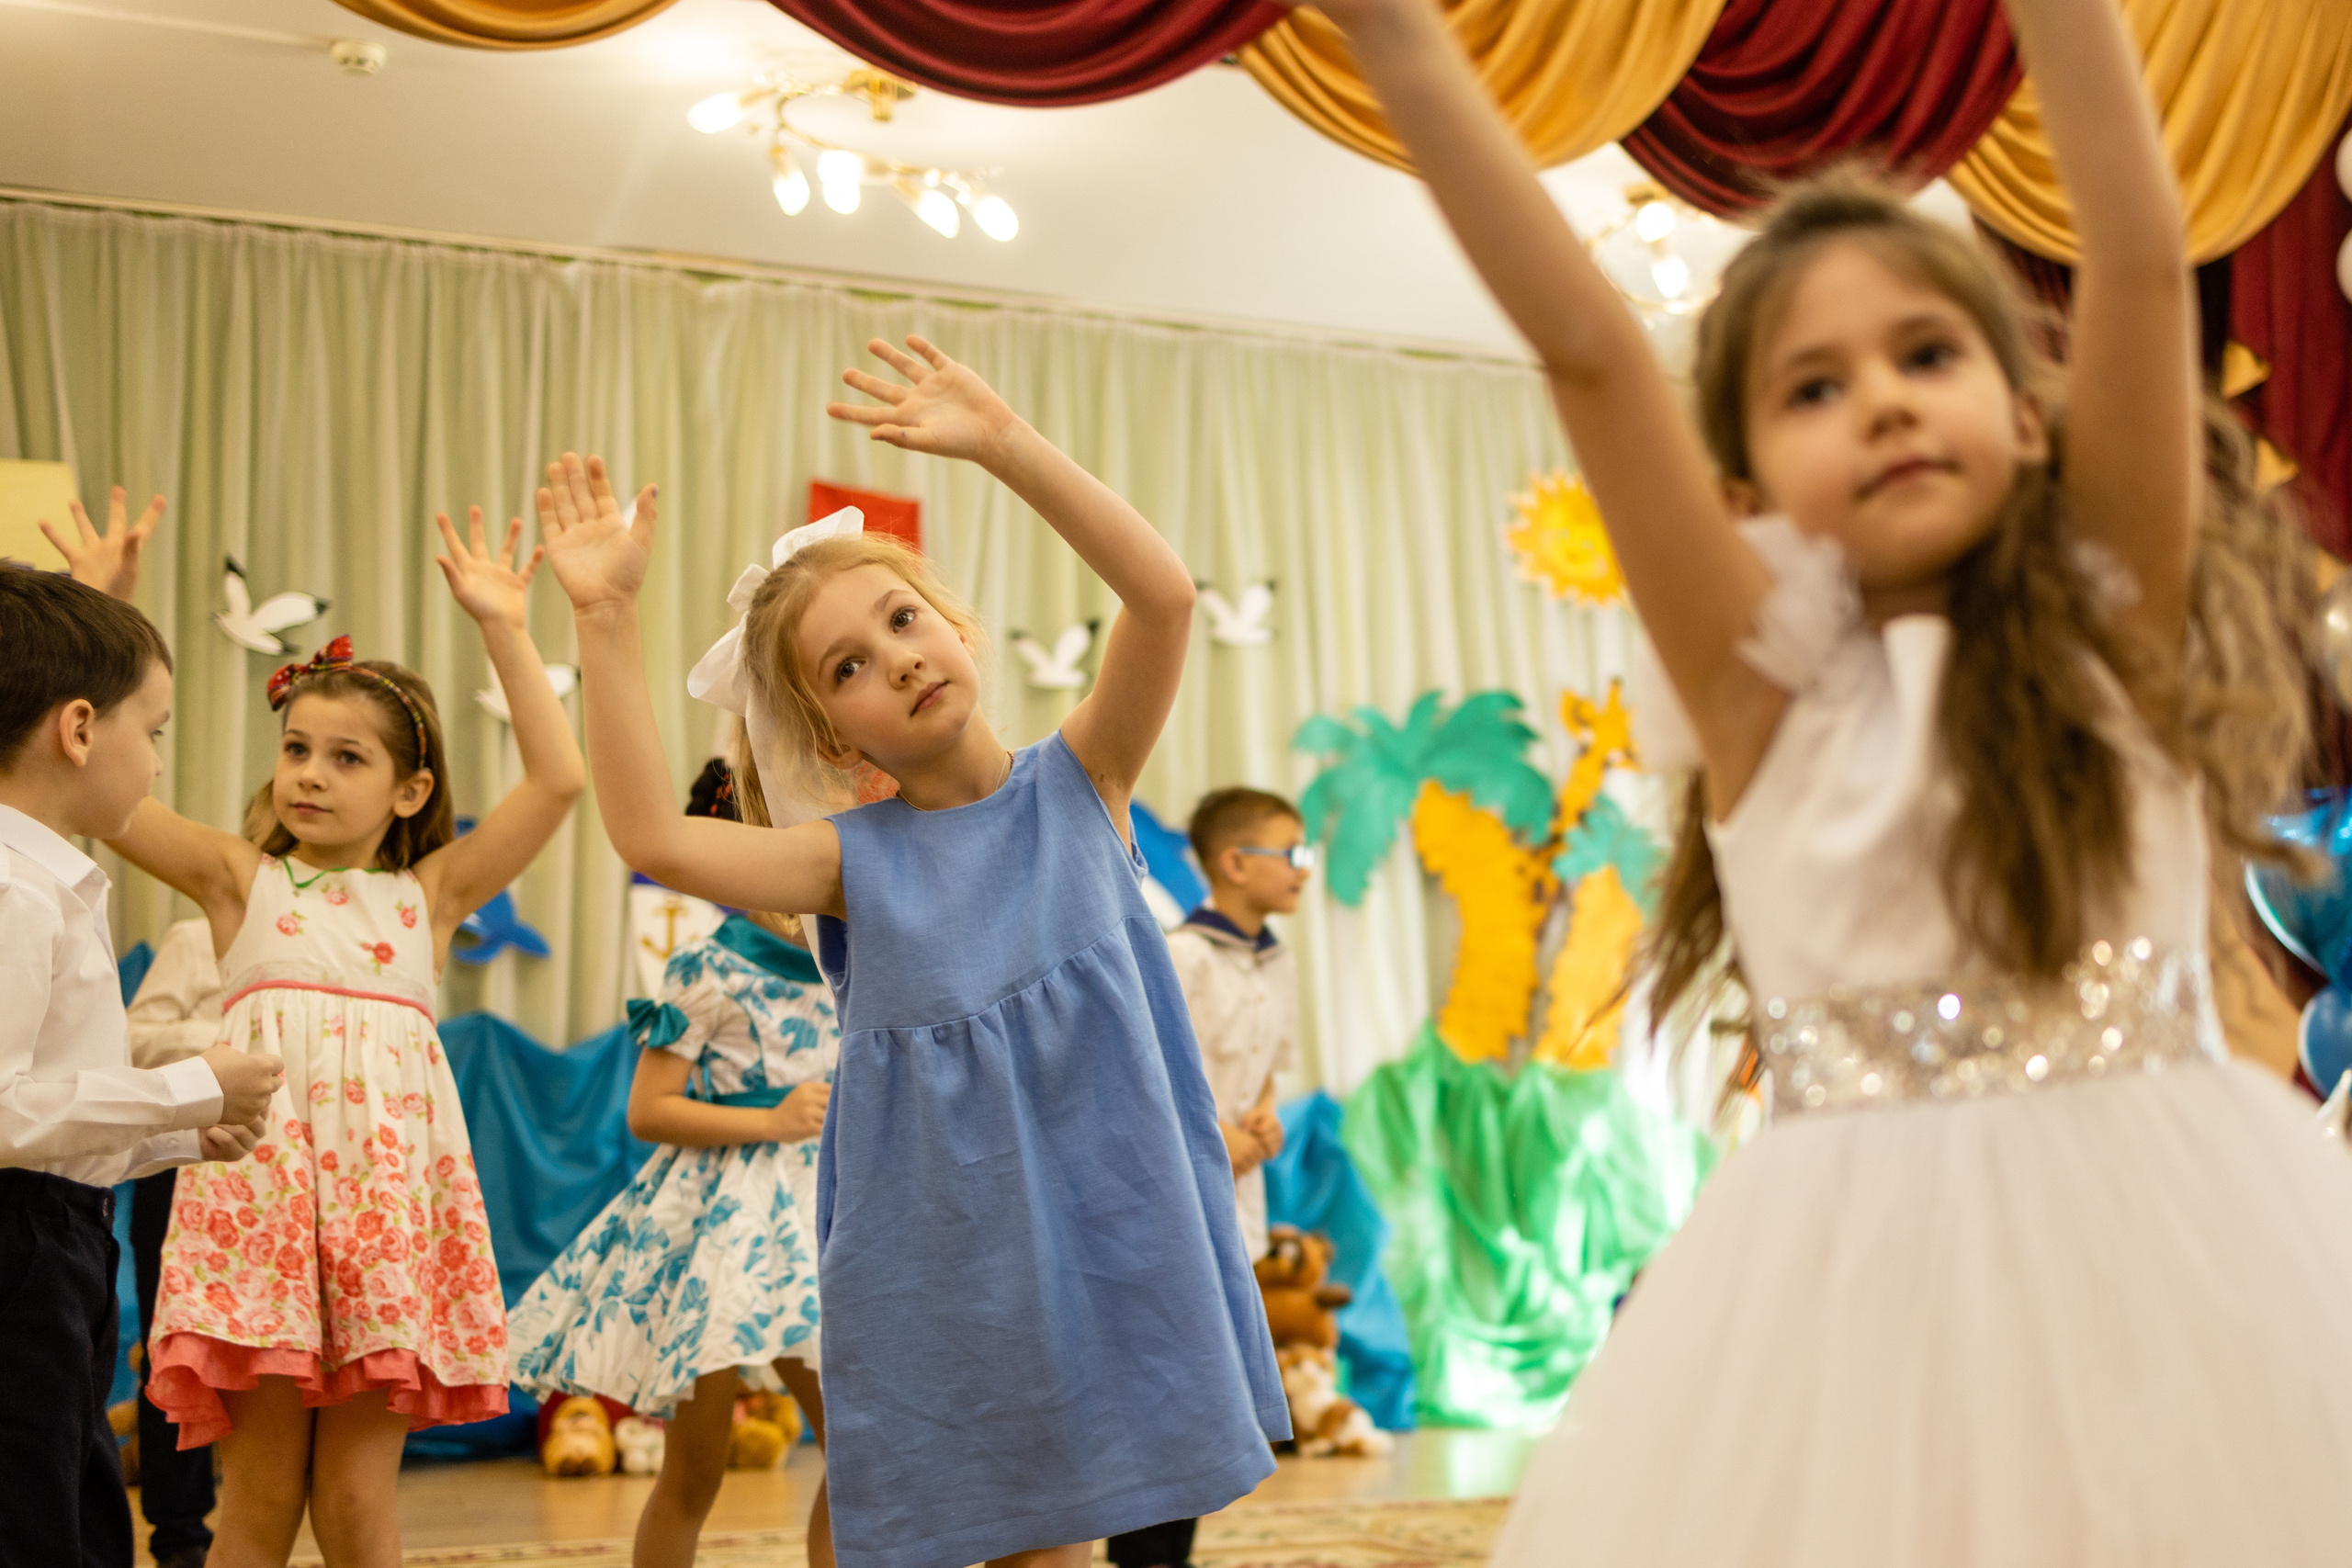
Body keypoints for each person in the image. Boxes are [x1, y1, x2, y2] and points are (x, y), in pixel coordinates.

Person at [1311, 0, 2352, 1559]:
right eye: (1812, 386)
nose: (1877, 397)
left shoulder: (2113, 634)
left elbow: (2138, 259)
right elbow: (1590, 354)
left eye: (1925, 353)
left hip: (2165, 1232)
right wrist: (1399, 48)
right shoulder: (1754, 693)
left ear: (2020, 409)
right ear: (1741, 488)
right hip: (1848, 1277)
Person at [538, 334, 1285, 1568]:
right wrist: (604, 618)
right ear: (835, 731)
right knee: (947, 1527)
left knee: (1060, 1535)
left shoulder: (1082, 780)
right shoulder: (848, 860)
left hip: (1113, 1223)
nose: (896, 656)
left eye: (902, 618)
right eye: (850, 665)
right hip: (950, 1258)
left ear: (955, 623)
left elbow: (1163, 597)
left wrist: (1006, 444)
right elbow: (650, 837)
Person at [104, 507, 583, 1568]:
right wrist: (105, 614)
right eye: (296, 750)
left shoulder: (431, 898)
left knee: (358, 1506)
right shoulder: (242, 882)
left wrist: (505, 626)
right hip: (264, 1218)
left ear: (410, 789)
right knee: (263, 1499)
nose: (309, 774)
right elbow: (112, 795)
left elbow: (556, 782)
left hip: (382, 1227)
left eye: (346, 757)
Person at [0, 540, 283, 1568]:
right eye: (152, 732)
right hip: (22, 1254)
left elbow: (56, 1128)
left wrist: (183, 1129)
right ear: (79, 729)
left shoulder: (49, 884)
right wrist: (185, 1082)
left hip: (59, 1236)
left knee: (76, 1515)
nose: (159, 763)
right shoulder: (13, 891)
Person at [507, 758, 838, 1568]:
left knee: (865, 1447)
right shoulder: (707, 968)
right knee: (692, 1468)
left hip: (832, 1210)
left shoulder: (849, 955)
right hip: (728, 1230)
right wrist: (771, 1116)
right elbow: (649, 1110)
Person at [1108, 786, 1309, 1568]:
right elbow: (1146, 1065)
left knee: (1210, 1386)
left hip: (1236, 1187)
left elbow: (1269, 1065)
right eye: (1291, 854)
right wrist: (1211, 1136)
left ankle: (1171, 1550)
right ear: (1233, 862)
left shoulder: (1277, 958)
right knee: (1164, 1381)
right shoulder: (1182, 953)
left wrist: (1262, 1117)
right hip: (1171, 1190)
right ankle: (1142, 1551)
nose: (1303, 870)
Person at [124, 915, 232, 1568]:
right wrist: (232, 1040)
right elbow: (133, 1041)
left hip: (289, 1177)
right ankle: (179, 1536)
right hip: (187, 1166)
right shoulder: (199, 936)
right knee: (174, 1352)